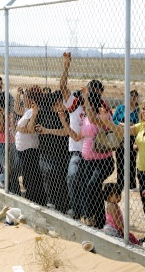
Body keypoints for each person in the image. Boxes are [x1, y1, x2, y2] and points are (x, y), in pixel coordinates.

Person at [99, 96, 145, 251]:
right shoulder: (143, 126)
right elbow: (125, 129)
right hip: (143, 173)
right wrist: (108, 123)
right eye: (144, 108)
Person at [76, 86, 115, 229]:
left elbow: (93, 119)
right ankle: (99, 221)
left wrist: (86, 97)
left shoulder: (103, 117)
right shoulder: (87, 118)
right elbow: (81, 134)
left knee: (92, 186)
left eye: (89, 105)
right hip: (88, 161)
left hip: (103, 161)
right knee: (94, 188)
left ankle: (93, 216)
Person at [59, 52, 85, 219]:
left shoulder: (94, 108)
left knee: (84, 184)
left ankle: (84, 212)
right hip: (77, 150)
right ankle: (77, 211)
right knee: (72, 178)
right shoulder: (75, 106)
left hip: (91, 152)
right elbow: (62, 86)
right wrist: (66, 66)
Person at [35, 90, 70, 213]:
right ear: (57, 102)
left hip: (63, 152)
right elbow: (37, 126)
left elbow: (65, 132)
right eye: (63, 101)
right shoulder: (44, 112)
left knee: (62, 178)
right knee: (49, 174)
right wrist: (39, 129)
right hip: (46, 151)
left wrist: (47, 130)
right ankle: (52, 202)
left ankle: (64, 207)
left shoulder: (66, 115)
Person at [14, 86, 46, 205]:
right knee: (28, 176)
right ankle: (32, 198)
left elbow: (30, 129)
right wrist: (18, 95)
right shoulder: (28, 110)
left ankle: (36, 200)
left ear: (32, 99)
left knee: (32, 177)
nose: (24, 99)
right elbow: (17, 109)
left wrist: (20, 128)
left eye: (25, 97)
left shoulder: (34, 111)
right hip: (24, 149)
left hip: (30, 149)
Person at [112, 89, 139, 190]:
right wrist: (123, 124)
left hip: (132, 138)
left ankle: (132, 184)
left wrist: (133, 126)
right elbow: (113, 120)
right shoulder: (121, 108)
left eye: (135, 96)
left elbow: (140, 123)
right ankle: (120, 184)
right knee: (120, 160)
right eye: (131, 95)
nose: (133, 97)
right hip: (120, 137)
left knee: (132, 161)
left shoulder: (138, 111)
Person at [0, 91, 17, 189]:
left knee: (13, 168)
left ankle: (6, 182)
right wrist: (1, 114)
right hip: (2, 144)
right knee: (8, 168)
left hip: (12, 143)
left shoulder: (13, 112)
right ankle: (3, 179)